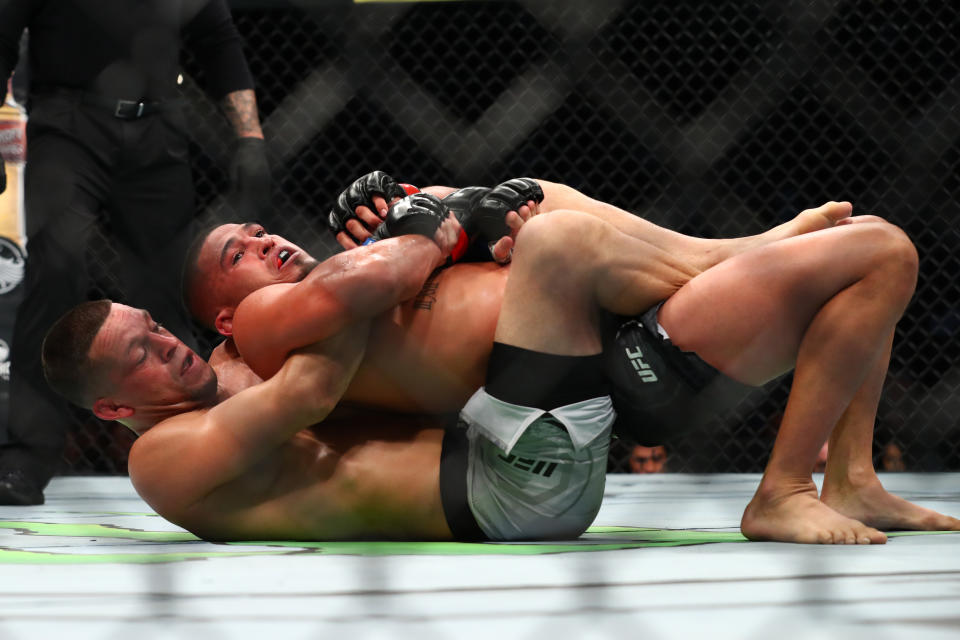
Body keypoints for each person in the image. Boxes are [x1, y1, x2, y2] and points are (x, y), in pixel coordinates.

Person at [182, 191, 960, 543]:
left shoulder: (334, 292)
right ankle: (783, 489)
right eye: (238, 254)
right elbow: (367, 290)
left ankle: (853, 476)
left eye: (257, 229)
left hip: (579, 342)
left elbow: (415, 262)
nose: (263, 242)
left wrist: (461, 214)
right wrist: (423, 221)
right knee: (884, 252)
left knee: (875, 245)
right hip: (613, 369)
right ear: (224, 315)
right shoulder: (266, 330)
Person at [0, 0, 270, 504]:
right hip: (69, 122)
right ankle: (23, 459)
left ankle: (203, 443)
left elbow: (219, 37)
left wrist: (249, 139)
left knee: (164, 288)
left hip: (159, 128)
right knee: (56, 272)